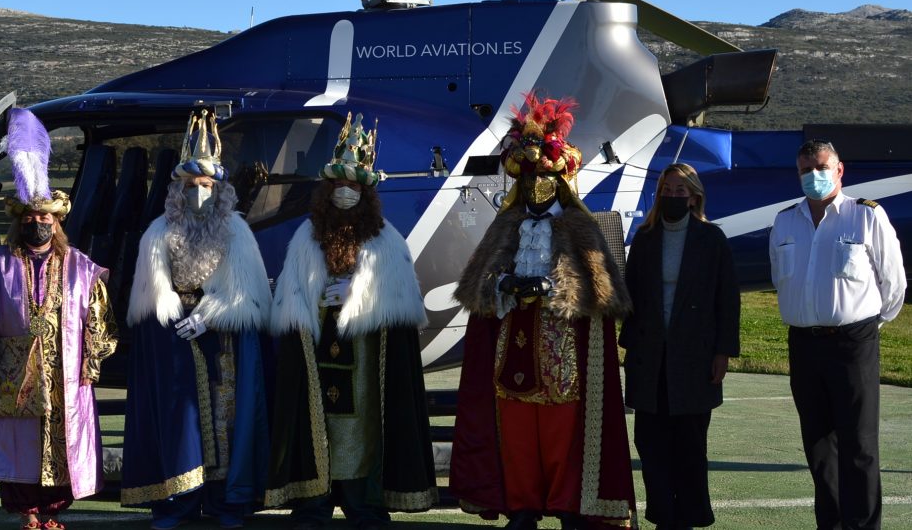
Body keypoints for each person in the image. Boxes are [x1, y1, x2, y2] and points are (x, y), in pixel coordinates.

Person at [450, 94, 635, 530]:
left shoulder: (582, 228)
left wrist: (556, 289)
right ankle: (523, 505)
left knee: (563, 434)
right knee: (516, 434)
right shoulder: (504, 226)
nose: (536, 183)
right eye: (529, 174)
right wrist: (502, 285)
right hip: (511, 349)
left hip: (564, 353)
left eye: (544, 174)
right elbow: (476, 287)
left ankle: (569, 504)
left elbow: (604, 294)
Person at [266, 113, 437, 529]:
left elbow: (402, 303)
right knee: (317, 424)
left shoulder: (386, 238)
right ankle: (315, 500)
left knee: (363, 429)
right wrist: (317, 302)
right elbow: (290, 297)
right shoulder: (307, 238)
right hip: (318, 353)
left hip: (366, 352)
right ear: (327, 191)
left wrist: (359, 296)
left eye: (354, 187)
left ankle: (364, 500)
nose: (345, 194)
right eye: (339, 187)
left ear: (366, 192)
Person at [0, 108, 118, 530]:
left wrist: (92, 360)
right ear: (18, 222)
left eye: (44, 218)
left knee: (61, 438)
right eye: (29, 218)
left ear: (57, 221)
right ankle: (26, 510)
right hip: (15, 372)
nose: (37, 223)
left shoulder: (80, 266)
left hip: (65, 371)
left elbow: (98, 316)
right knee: (19, 442)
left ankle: (52, 511)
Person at [120, 111, 271, 530]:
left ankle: (226, 503)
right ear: (178, 189)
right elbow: (150, 293)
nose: (199, 194)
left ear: (219, 189)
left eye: (207, 186)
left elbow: (251, 294)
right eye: (191, 186)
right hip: (175, 342)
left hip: (223, 345)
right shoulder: (159, 232)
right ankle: (179, 503)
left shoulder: (237, 232)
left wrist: (214, 315)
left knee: (227, 421)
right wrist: (173, 314)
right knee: (178, 422)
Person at [769, 139, 906, 530]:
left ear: (839, 170)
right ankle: (829, 524)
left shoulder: (866, 216)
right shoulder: (784, 221)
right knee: (818, 445)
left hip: (853, 342)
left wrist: (867, 325)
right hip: (804, 344)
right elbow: (781, 278)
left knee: (859, 444)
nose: (814, 176)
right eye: (805, 170)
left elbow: (893, 283)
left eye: (821, 167)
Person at [618, 163, 740, 529]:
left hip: (695, 357)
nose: (673, 196)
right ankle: (663, 517)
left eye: (680, 190)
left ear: (694, 196)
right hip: (651, 357)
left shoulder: (712, 239)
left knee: (689, 446)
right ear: (659, 194)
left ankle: (689, 517)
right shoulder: (645, 237)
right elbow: (631, 296)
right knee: (651, 444)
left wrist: (723, 352)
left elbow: (728, 299)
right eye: (667, 190)